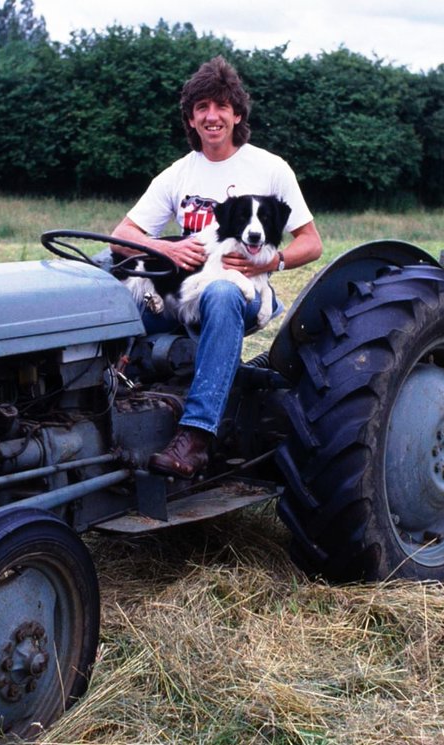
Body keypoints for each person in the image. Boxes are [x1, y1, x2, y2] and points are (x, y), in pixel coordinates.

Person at [111, 56, 323, 478]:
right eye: (202, 108)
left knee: (222, 293)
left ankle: (197, 436)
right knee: (101, 277)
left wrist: (269, 261)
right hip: (180, 289)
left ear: (237, 114)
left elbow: (312, 243)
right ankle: (108, 403)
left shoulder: (269, 168)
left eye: (221, 107)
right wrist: (164, 249)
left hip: (237, 295)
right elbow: (123, 233)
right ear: (190, 119)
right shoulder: (179, 173)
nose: (212, 117)